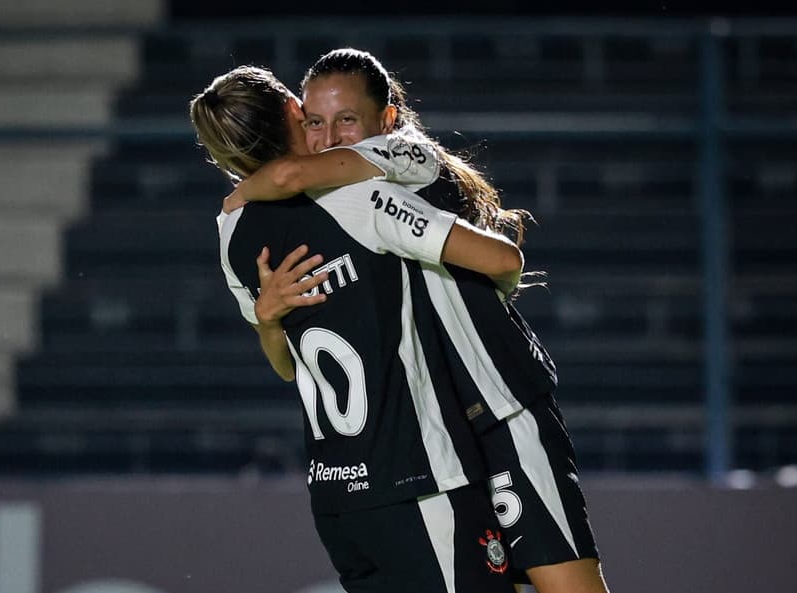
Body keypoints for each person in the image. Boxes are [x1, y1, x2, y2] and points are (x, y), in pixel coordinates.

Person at [227, 48, 611, 593]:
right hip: (439, 438)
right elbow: (292, 367)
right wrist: (269, 320)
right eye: (315, 122)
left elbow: (506, 262)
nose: (330, 138)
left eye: (346, 119)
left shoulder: (402, 157)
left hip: (500, 411)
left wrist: (238, 194)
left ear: (387, 119)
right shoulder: (332, 202)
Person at [191, 64, 520, 593]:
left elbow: (285, 367)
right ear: (292, 111)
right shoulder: (357, 195)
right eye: (310, 116)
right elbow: (501, 257)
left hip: (338, 498)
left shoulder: (232, 234)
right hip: (416, 479)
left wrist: (269, 319)